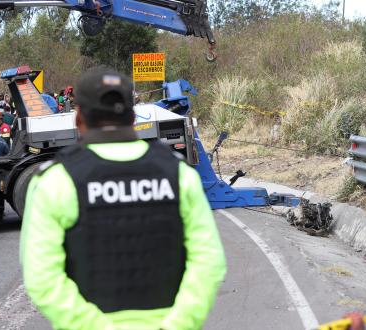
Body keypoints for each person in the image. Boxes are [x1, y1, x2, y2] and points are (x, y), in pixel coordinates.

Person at [20, 67, 226, 330]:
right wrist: (178, 324)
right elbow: (209, 263)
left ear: (78, 118)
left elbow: (41, 277)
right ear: (133, 115)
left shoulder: (55, 181)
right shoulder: (179, 174)